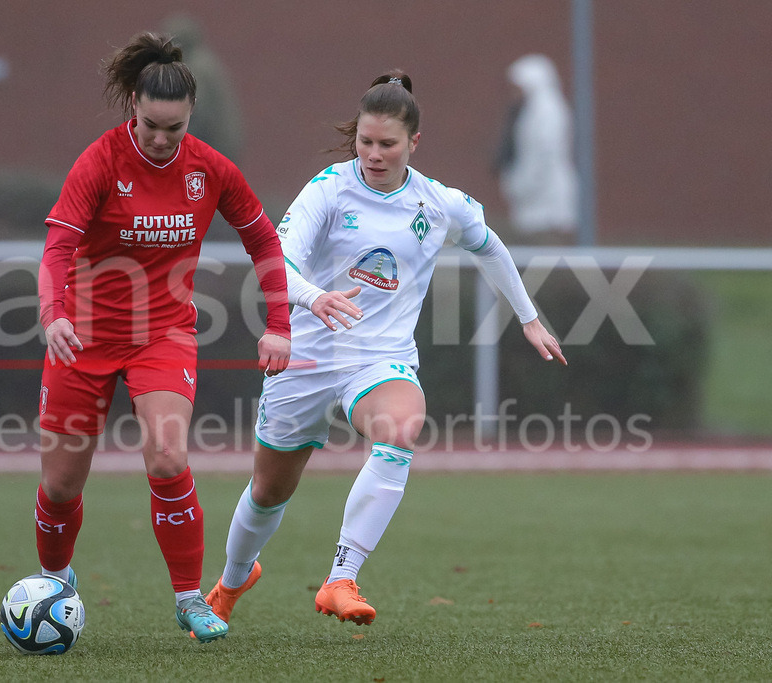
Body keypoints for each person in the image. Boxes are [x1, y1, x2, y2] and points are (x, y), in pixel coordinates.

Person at [205, 72, 566, 628]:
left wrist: (529, 318)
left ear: (413, 143)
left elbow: (489, 247)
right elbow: (278, 258)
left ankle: (341, 578)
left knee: (400, 431)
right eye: (366, 142)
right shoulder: (328, 188)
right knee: (268, 490)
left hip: (380, 357)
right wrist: (316, 297)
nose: (374, 154)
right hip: (304, 357)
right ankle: (231, 583)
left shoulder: (438, 202)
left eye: (387, 144)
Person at [33, 31, 291, 643]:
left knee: (169, 457)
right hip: (84, 337)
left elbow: (263, 241)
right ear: (134, 109)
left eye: (172, 128)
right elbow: (59, 247)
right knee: (60, 486)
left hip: (163, 335)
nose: (160, 138)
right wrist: (55, 314)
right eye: (151, 124)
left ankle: (188, 598)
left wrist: (279, 325)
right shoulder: (99, 162)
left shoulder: (210, 169)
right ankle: (54, 584)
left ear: (189, 118)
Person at [492, 54, 578, 244]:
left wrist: (524, 185)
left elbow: (546, 155)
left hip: (547, 197)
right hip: (531, 197)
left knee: (545, 252)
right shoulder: (528, 112)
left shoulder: (548, 111)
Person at [163, 14, 243, 163]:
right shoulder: (206, 61)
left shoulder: (195, 67)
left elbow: (197, 112)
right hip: (225, 142)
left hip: (215, 145)